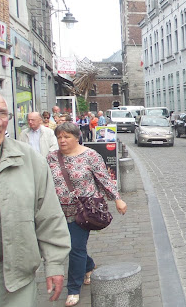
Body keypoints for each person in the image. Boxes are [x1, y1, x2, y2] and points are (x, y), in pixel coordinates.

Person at [0, 90, 71, 305]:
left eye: (3, 114)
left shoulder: (29, 160)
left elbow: (49, 215)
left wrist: (54, 264)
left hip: (15, 277)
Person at [46, 122, 128, 307]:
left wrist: (117, 199)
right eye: (59, 137)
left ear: (77, 137)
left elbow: (104, 179)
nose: (62, 140)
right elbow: (43, 181)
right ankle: (89, 266)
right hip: (58, 210)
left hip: (83, 210)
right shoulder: (51, 157)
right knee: (71, 247)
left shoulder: (90, 155)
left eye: (66, 137)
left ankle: (73, 289)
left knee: (75, 247)